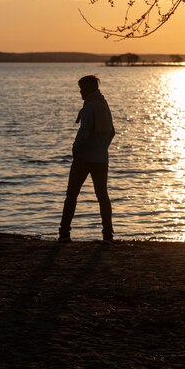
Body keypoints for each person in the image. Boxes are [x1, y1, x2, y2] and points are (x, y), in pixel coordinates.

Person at [59, 75, 115, 243]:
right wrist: (103, 148)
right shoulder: (104, 106)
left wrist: (75, 148)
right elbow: (112, 132)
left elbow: (84, 133)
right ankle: (108, 234)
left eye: (82, 89)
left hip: (84, 158)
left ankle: (64, 233)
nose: (80, 92)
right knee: (102, 196)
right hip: (101, 159)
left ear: (89, 89)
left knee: (71, 195)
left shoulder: (90, 108)